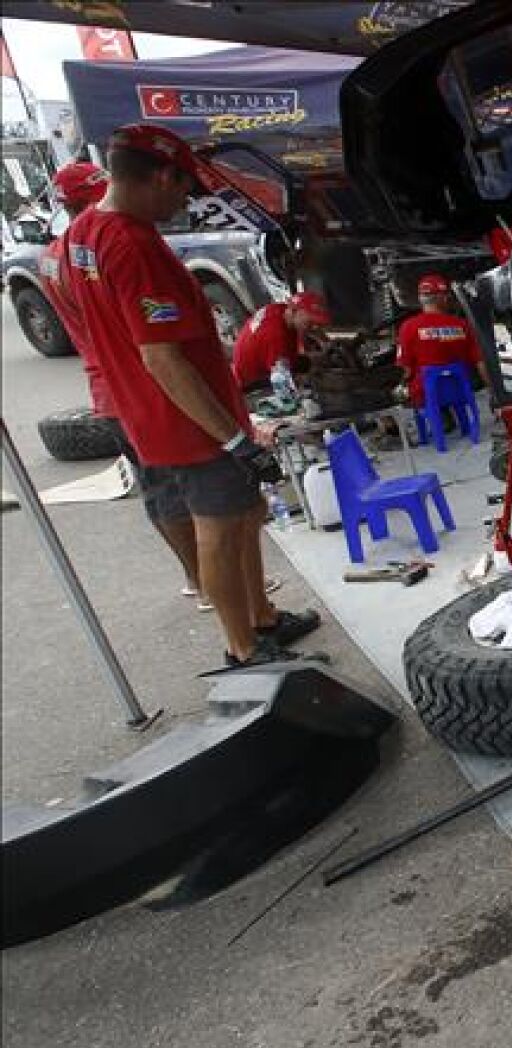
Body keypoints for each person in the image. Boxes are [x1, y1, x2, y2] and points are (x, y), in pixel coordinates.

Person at [58, 123, 319, 669]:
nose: (186, 200)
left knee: (244, 513)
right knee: (219, 529)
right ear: (158, 176)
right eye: (183, 187)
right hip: (187, 423)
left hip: (149, 413)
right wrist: (230, 438)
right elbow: (161, 356)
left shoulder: (85, 231)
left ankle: (262, 618)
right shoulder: (132, 245)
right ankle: (244, 648)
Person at [39, 160, 206, 602]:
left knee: (159, 487)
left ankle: (200, 579)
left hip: (111, 388)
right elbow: (144, 335)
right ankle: (204, 581)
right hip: (137, 386)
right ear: (79, 204)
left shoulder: (55, 257)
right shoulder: (101, 245)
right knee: (178, 489)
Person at [396, 273, 484, 412]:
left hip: (427, 394)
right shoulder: (462, 325)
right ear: (444, 298)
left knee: (411, 388)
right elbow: (480, 362)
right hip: (461, 387)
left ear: (420, 299)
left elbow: (405, 369)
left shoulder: (407, 327)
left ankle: (441, 420)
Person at [232, 291, 328, 392]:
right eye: (311, 322)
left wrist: (322, 342)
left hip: (258, 365)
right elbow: (283, 384)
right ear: (294, 311)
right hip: (254, 385)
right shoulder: (276, 337)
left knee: (307, 363)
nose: (314, 327)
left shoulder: (280, 309)